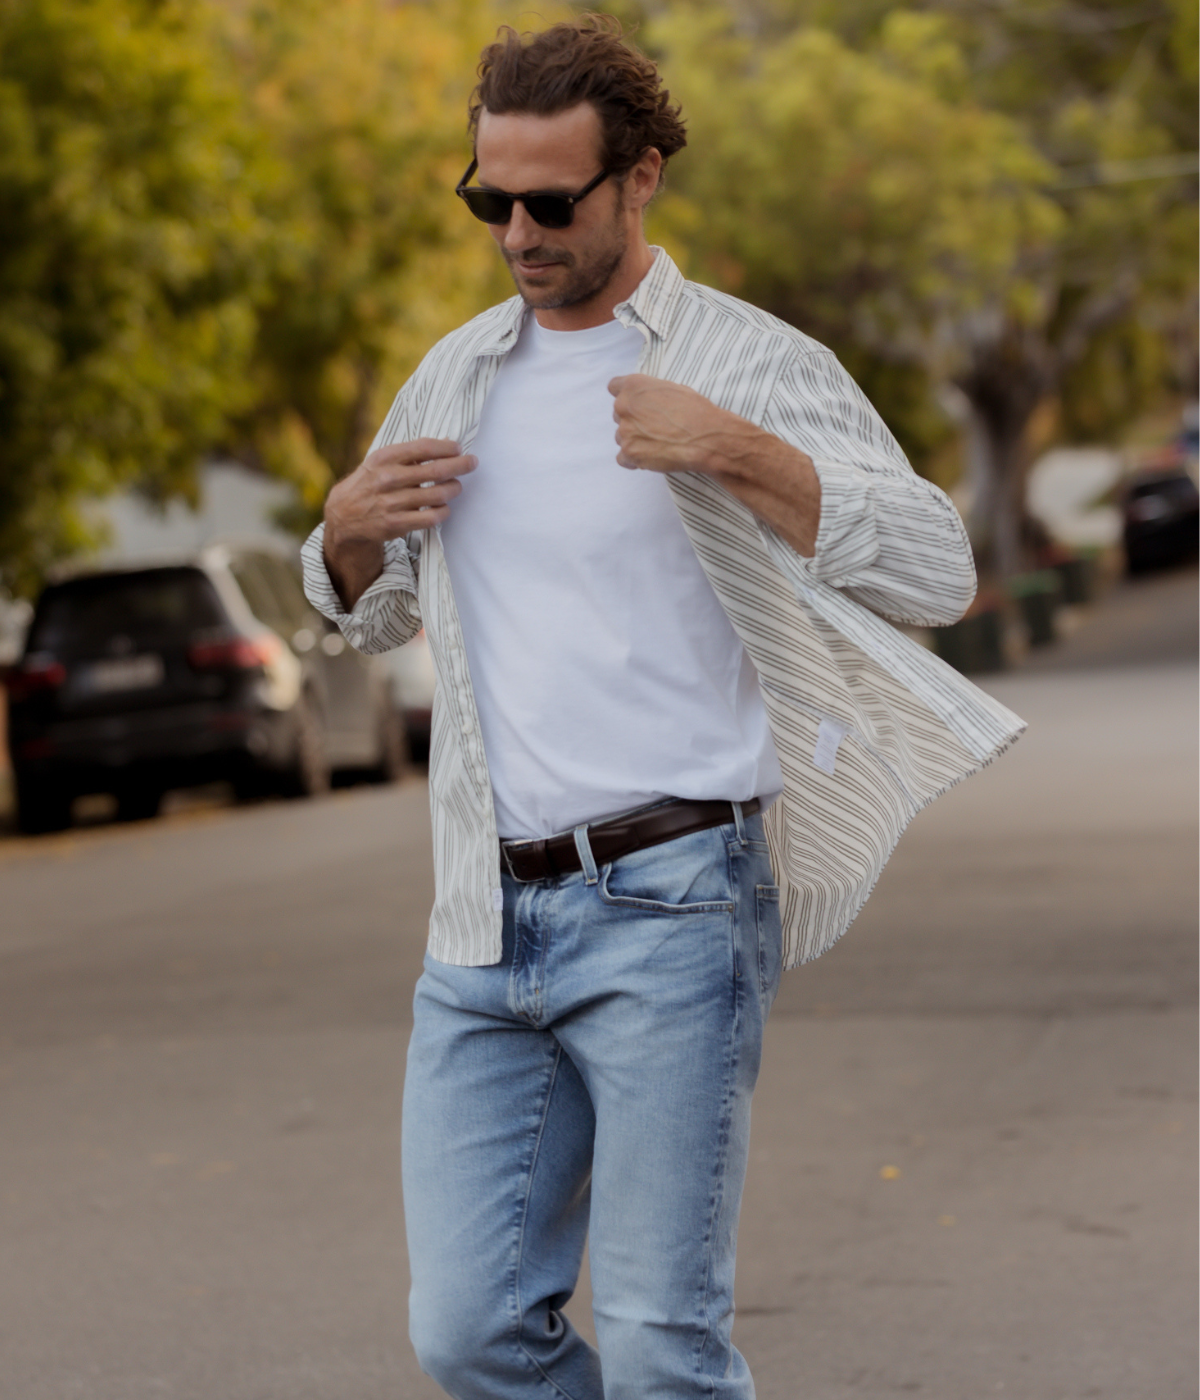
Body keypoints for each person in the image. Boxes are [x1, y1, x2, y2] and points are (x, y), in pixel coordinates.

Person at [301, 16, 1024, 1399]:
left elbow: (942, 565)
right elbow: (372, 607)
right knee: (465, 1333)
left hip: (676, 898)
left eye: (552, 201)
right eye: (488, 199)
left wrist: (744, 455)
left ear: (639, 182)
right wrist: (338, 535)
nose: (517, 231)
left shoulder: (750, 363)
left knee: (656, 1340)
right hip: (481, 920)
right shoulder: (457, 377)